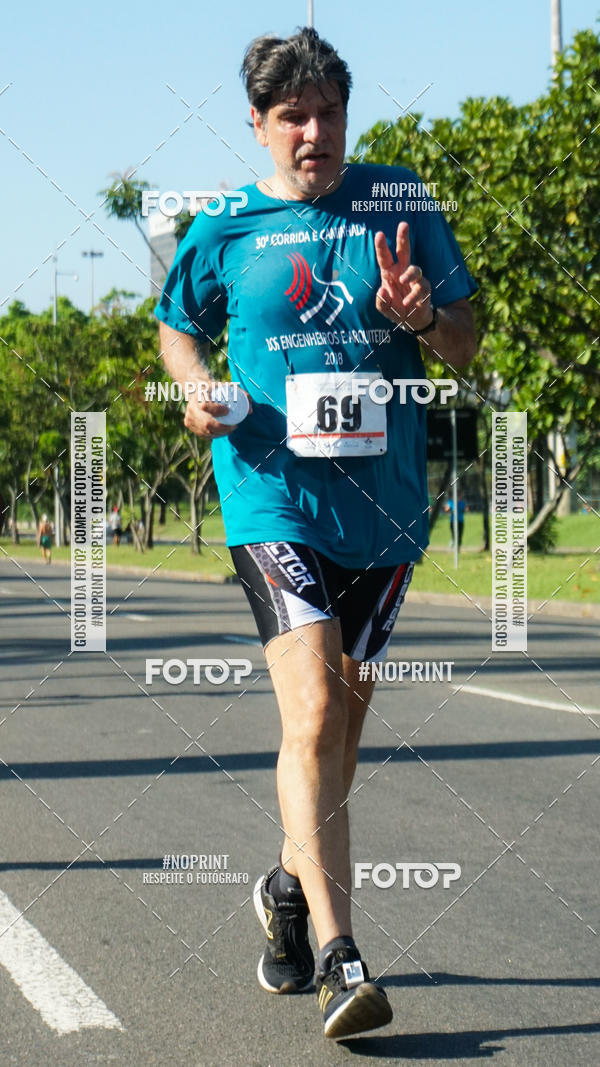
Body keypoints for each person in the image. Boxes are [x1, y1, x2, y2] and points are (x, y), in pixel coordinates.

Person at [156, 27, 477, 1040]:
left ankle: (287, 892)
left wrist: (425, 316)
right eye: (292, 115)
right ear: (257, 126)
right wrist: (196, 387)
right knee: (308, 713)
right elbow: (174, 324)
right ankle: (345, 957)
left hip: (380, 510)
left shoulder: (398, 200)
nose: (314, 131)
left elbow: (465, 346)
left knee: (342, 721)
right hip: (269, 496)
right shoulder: (224, 224)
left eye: (327, 110)